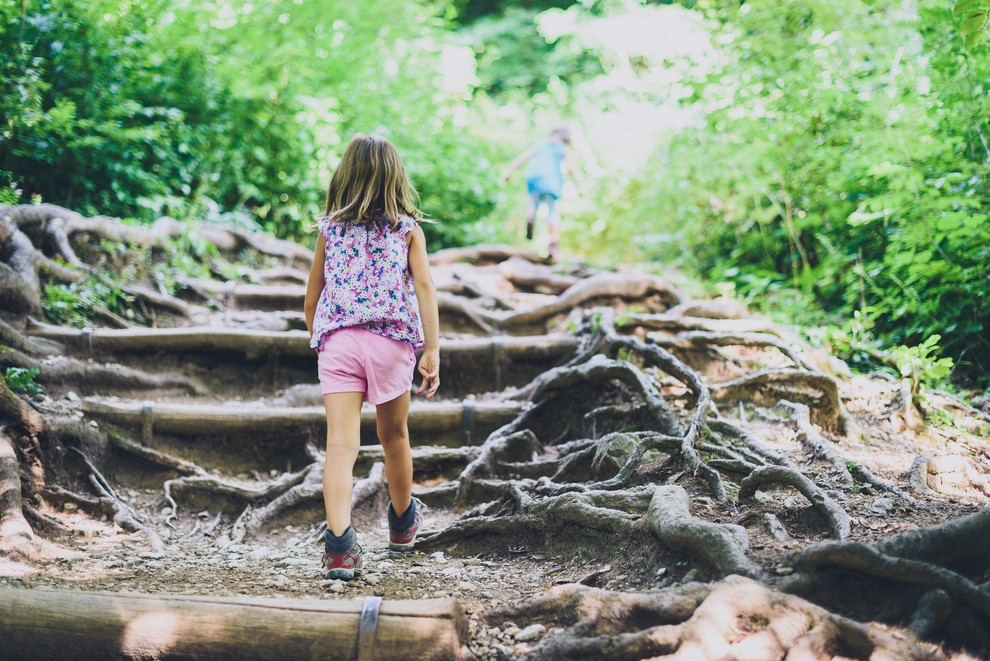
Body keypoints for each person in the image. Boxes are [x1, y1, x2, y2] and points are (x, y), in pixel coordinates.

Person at [304, 134, 440, 581]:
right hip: (389, 343)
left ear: (345, 175)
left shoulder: (330, 229)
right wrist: (431, 348)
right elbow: (423, 289)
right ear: (395, 177)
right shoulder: (407, 230)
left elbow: (313, 295)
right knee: (394, 435)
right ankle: (402, 524)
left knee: (340, 446)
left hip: (339, 341)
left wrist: (320, 338)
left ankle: (340, 548)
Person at [502, 125, 574, 260]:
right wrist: (579, 187)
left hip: (534, 178)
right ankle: (553, 245)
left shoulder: (541, 143)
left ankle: (530, 217)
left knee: (533, 203)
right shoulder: (563, 148)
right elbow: (571, 168)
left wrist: (509, 171)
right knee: (552, 211)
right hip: (551, 181)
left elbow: (523, 157)